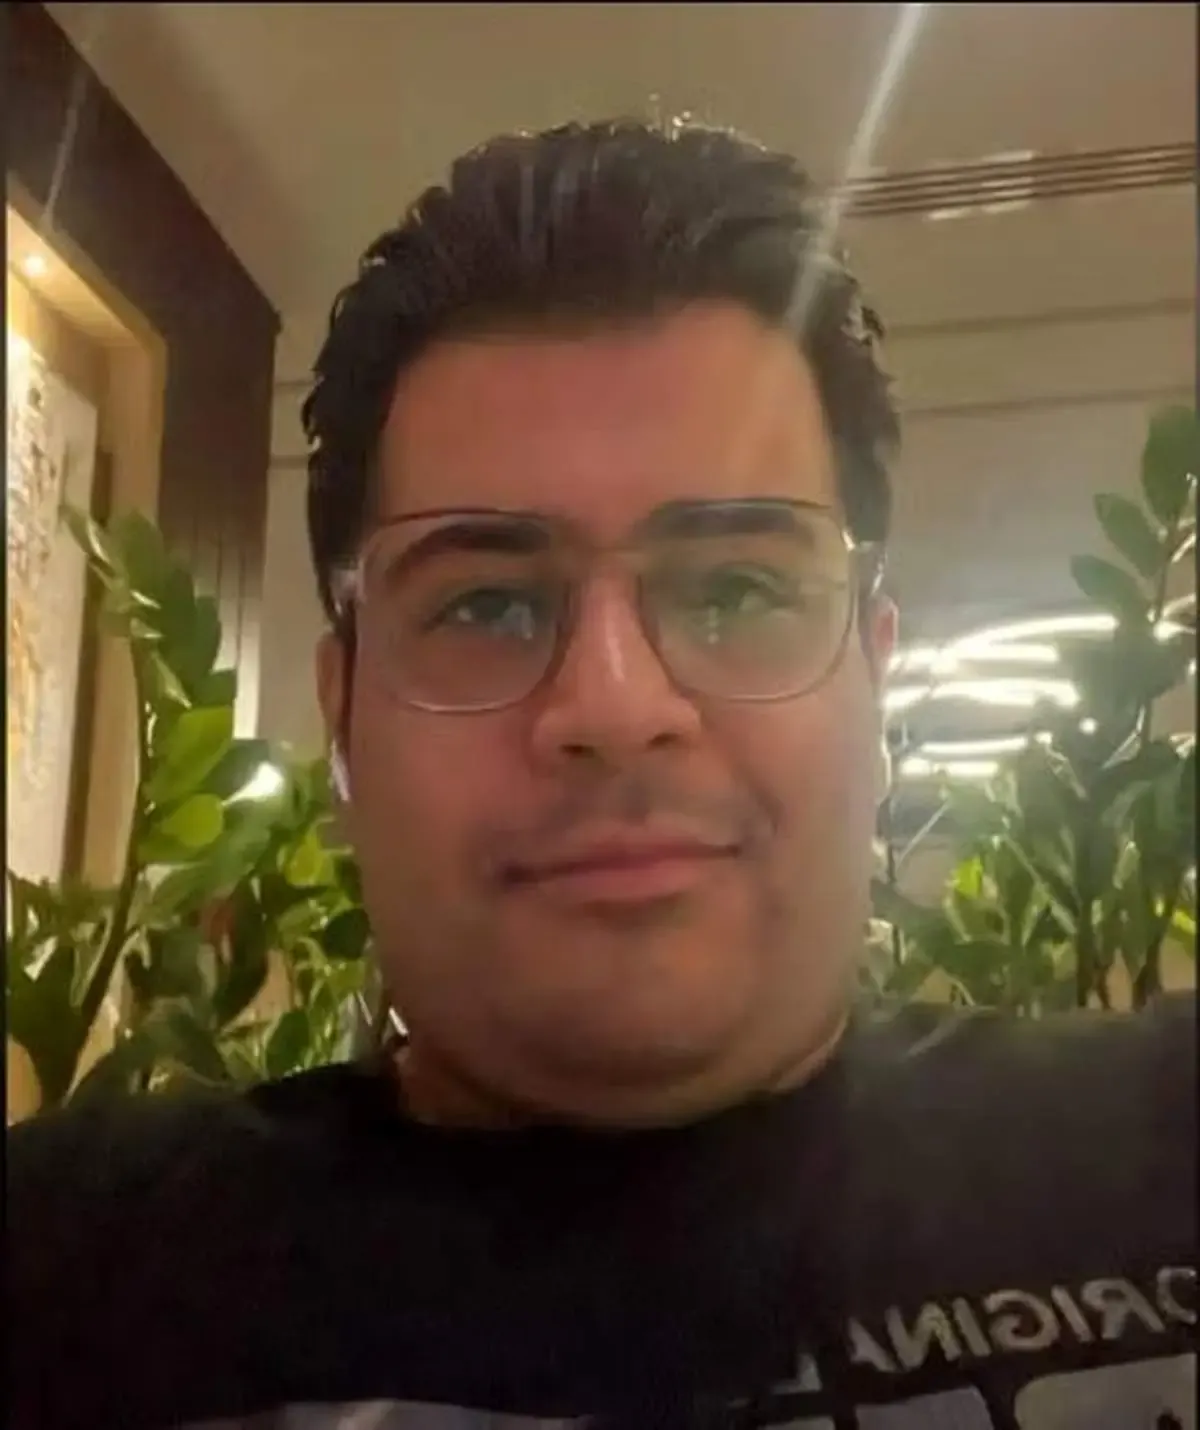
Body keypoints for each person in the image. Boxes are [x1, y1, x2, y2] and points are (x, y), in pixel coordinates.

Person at [8, 118, 1195, 1430]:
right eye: (489, 605)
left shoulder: (1164, 1142)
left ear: (872, 673)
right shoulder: (58, 1276)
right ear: (342, 717)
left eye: (737, 589)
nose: (617, 708)